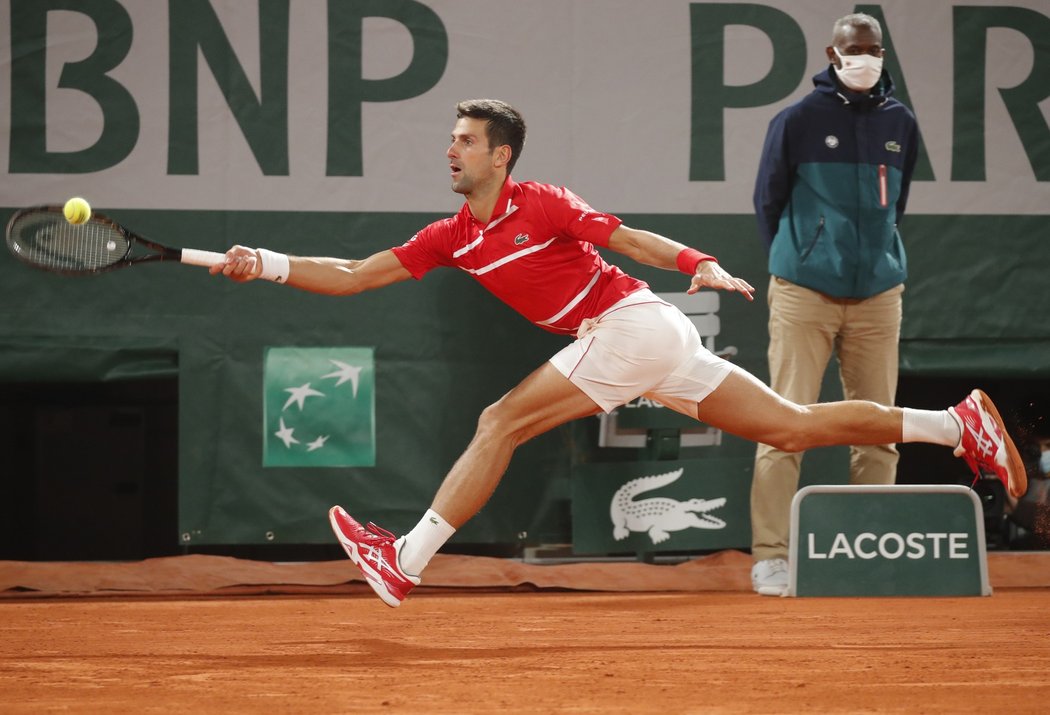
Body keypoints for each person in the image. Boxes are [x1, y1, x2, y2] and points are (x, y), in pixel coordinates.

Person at [210, 98, 1025, 608]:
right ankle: (956, 428)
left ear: (502, 156)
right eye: (449, 139)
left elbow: (626, 235)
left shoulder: (544, 202)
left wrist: (693, 261)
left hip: (632, 326)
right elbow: (354, 275)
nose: (450, 150)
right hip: (645, 341)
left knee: (499, 420)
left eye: (465, 140)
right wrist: (269, 263)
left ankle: (406, 561)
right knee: (791, 427)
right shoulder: (450, 237)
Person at [749, 13, 920, 596]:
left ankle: (867, 552)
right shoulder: (797, 119)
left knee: (878, 431)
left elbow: (896, 204)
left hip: (878, 295)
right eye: (855, 49)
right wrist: (804, 259)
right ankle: (771, 556)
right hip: (804, 293)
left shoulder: (901, 122)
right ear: (833, 53)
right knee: (782, 425)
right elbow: (767, 200)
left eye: (874, 49)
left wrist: (872, 258)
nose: (865, 57)